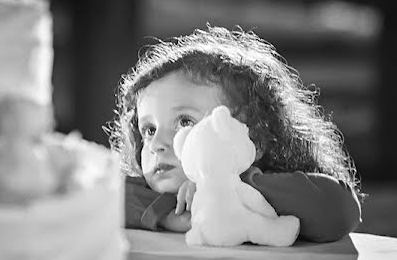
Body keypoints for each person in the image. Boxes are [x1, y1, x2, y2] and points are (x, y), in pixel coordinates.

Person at [108, 25, 362, 243]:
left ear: (253, 135)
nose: (156, 145)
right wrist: (164, 214)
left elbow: (339, 210)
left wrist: (230, 185)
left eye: (184, 122)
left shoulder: (274, 188)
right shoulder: (149, 195)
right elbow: (97, 197)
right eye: (149, 130)